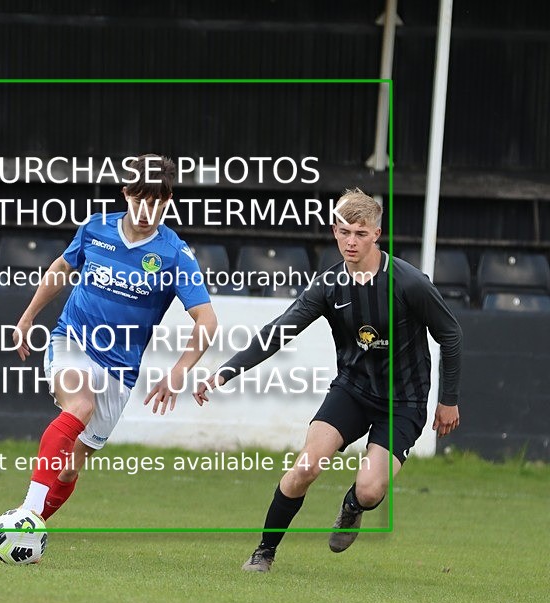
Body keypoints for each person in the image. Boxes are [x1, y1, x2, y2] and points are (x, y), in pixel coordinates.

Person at [193, 188, 462, 572]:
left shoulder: (409, 283)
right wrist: (225, 371)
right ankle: (264, 552)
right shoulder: (328, 285)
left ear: (376, 234)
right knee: (305, 467)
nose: (351, 241)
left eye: (361, 233)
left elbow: (451, 334)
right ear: (335, 231)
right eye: (344, 232)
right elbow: (279, 331)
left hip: (403, 401)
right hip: (352, 391)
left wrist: (448, 399)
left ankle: (353, 506)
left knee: (370, 490)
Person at [13, 154, 217, 520]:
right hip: (72, 339)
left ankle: (31, 529)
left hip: (120, 368)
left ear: (168, 201)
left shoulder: (174, 254)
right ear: (126, 193)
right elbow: (62, 267)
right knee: (80, 406)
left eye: (156, 202)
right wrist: (28, 316)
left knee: (70, 468)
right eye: (140, 199)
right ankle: (26, 512)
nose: (146, 210)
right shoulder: (96, 228)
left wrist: (178, 371)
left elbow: (207, 320)